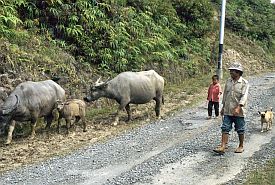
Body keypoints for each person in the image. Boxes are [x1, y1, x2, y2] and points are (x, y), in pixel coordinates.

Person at [213, 62, 249, 154]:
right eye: (231, 71)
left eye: (233, 71)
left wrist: (238, 107)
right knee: (225, 127)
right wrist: (223, 107)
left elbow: (244, 97)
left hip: (239, 111)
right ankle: (223, 146)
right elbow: (225, 95)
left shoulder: (244, 83)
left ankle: (241, 146)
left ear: (238, 72)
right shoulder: (228, 81)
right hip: (228, 110)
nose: (231, 72)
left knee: (240, 128)